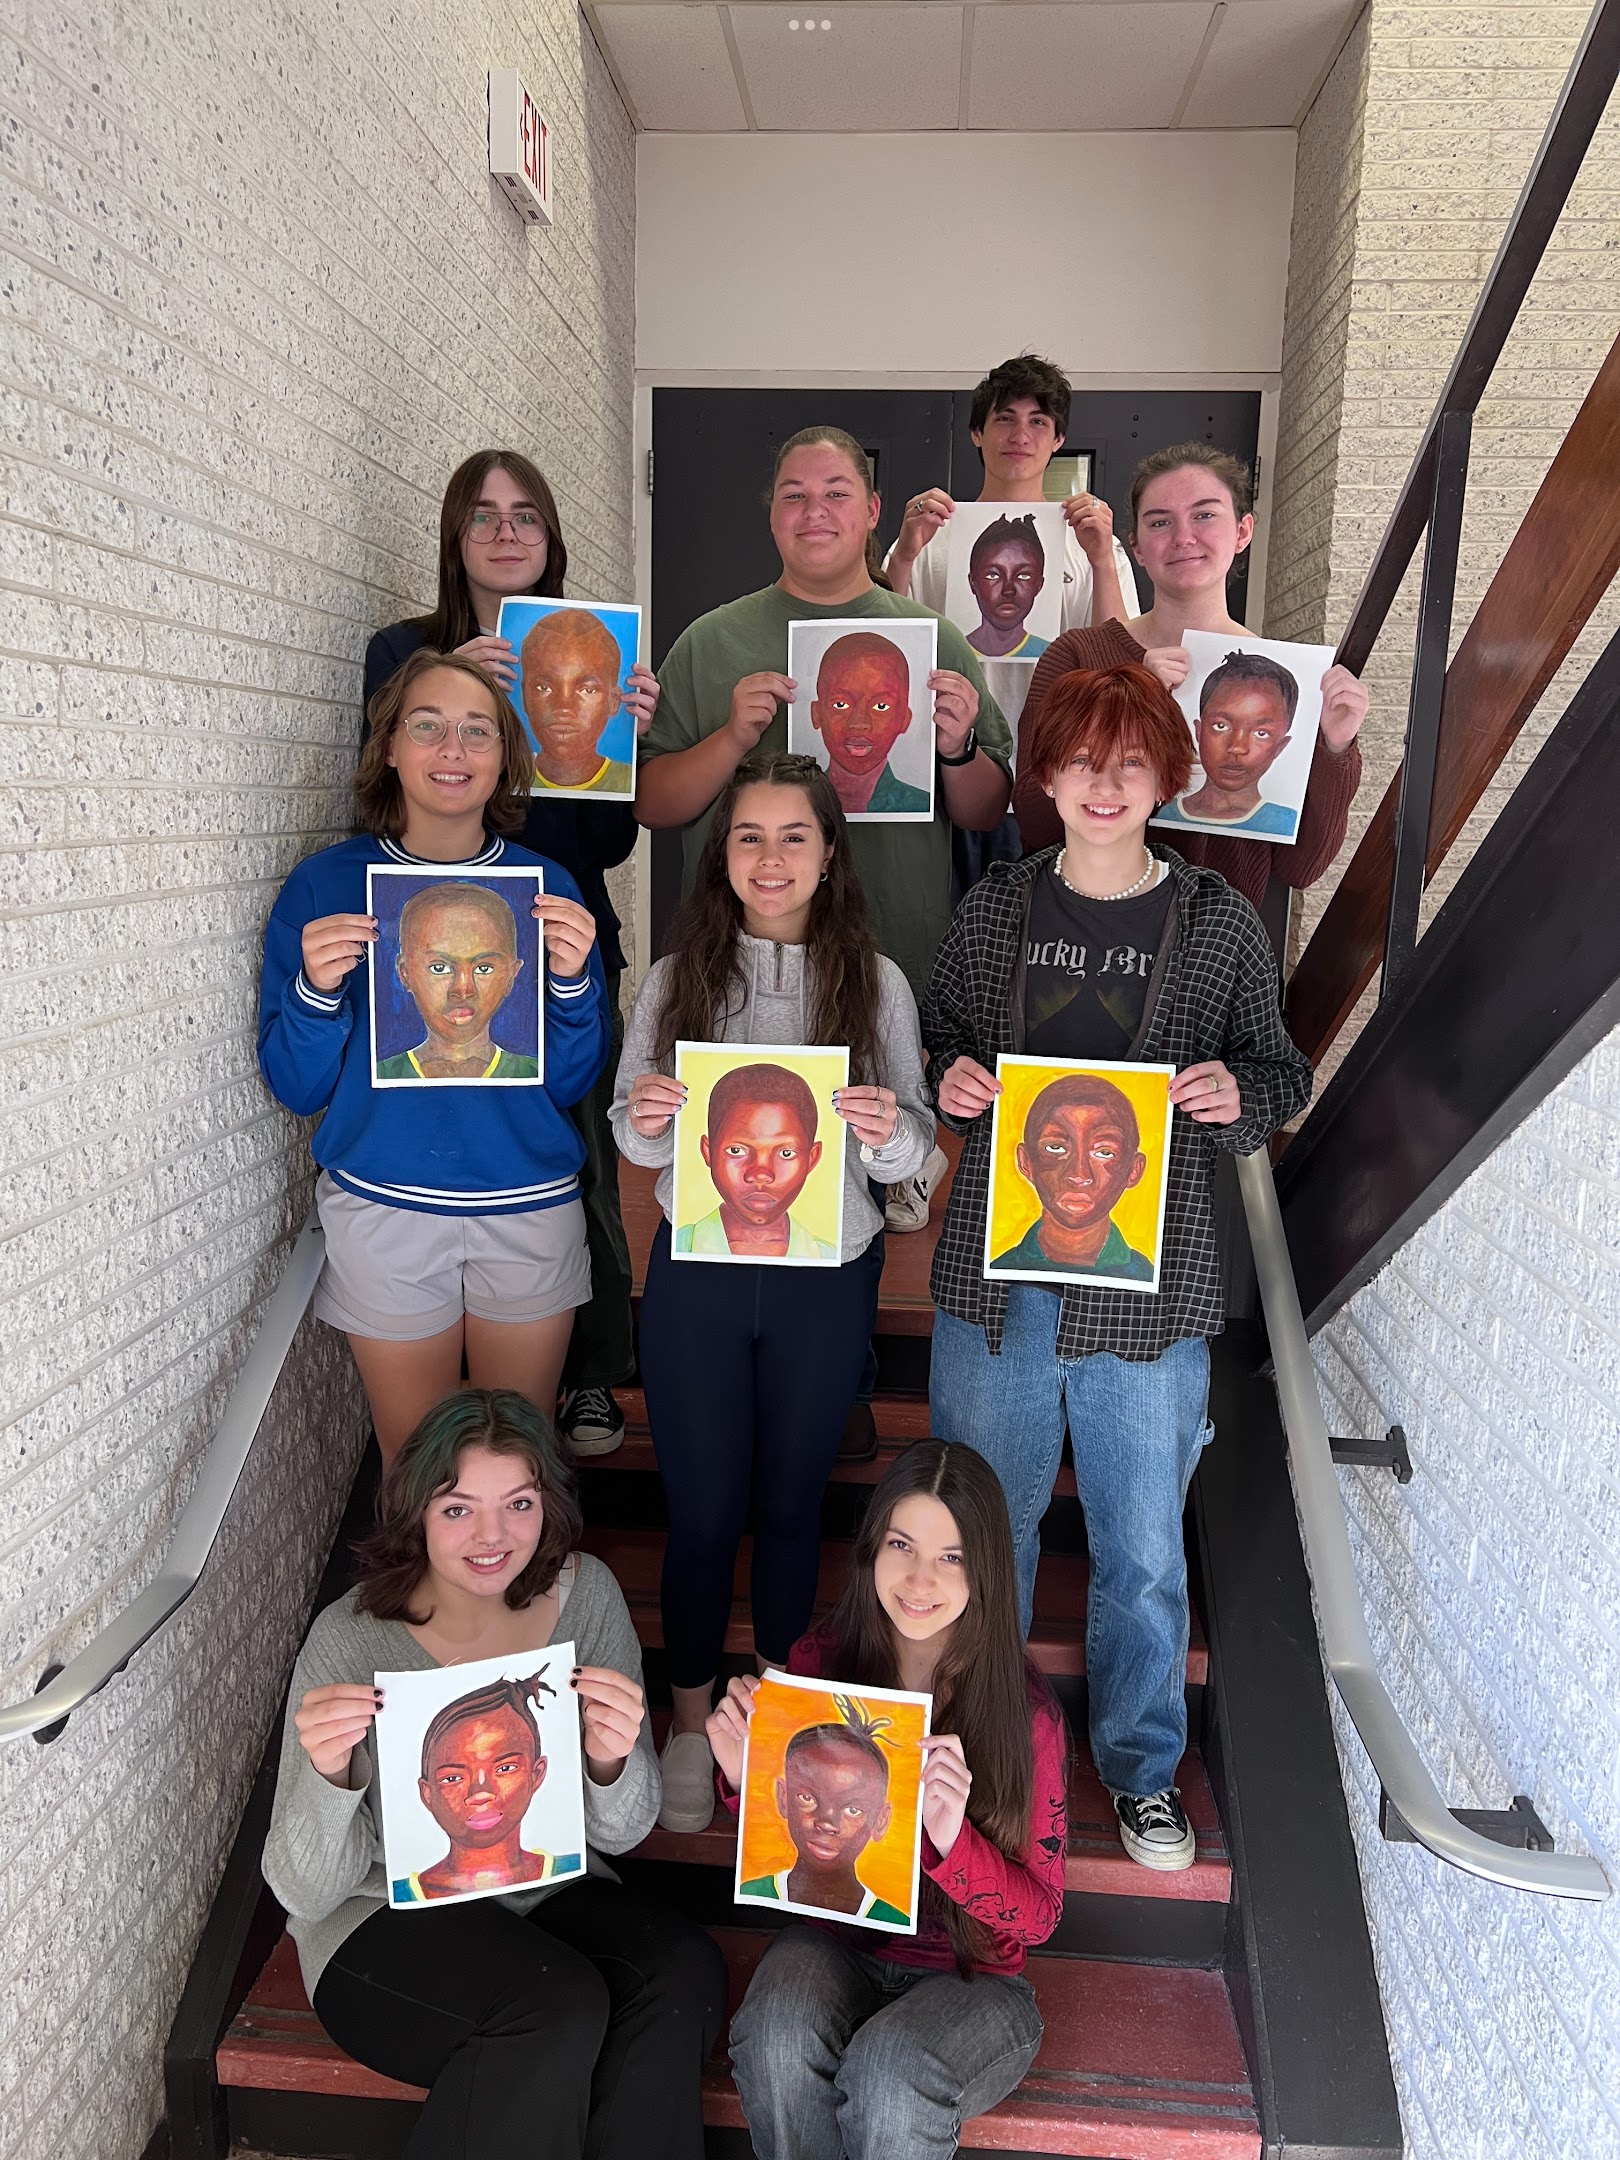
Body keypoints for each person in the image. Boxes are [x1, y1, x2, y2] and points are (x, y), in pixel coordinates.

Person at [924, 664, 1313, 1871]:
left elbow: (1282, 1076)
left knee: (1144, 1547)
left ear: (1165, 777)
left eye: (1131, 763)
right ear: (1044, 773)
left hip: (1157, 1295)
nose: (1105, 784)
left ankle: (1140, 1764)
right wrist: (950, 1079)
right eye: (1082, 762)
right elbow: (939, 1037)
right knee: (986, 1535)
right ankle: (981, 1756)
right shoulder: (997, 913)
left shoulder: (1215, 922)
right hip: (1000, 1290)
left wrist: (1236, 1091)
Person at [263, 1387, 727, 2160]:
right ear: (416, 1512)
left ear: (548, 1502)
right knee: (555, 2005)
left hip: (546, 1890)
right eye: (457, 1510)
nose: (491, 1536)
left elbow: (625, 1828)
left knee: (681, 1971)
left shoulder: (588, 1596)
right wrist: (328, 1775)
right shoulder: (350, 1638)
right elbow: (307, 1889)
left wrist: (613, 1759)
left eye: (518, 1503)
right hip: (378, 1917)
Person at [612, 751, 935, 1832]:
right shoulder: (674, 979)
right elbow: (631, 1129)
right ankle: (695, 1723)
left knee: (794, 1513)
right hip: (699, 1279)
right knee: (703, 1517)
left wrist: (891, 1134)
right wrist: (649, 1121)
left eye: (794, 836)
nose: (771, 857)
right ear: (723, 856)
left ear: (830, 852)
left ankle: (783, 1721)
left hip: (822, 1281)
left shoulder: (875, 982)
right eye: (749, 836)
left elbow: (915, 1156)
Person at [362, 449, 657, 1458]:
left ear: (551, 538)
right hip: (443, 937)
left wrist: (619, 750)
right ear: (455, 535)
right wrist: (461, 692)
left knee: (577, 1153)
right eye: (483, 515)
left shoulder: (586, 655)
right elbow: (378, 788)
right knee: (462, 1139)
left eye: (525, 515)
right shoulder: (404, 651)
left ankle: (591, 1373)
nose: (504, 531)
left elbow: (612, 849)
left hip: (562, 942)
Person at [260, 648, 609, 1466]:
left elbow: (568, 1079)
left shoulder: (547, 885)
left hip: (527, 1204)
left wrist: (569, 986)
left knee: (519, 1465)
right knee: (415, 1467)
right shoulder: (325, 887)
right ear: (389, 747)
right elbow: (296, 1083)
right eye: (428, 728)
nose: (452, 750)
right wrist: (313, 991)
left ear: (503, 760)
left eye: (476, 732)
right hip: (384, 1209)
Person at [711, 1441, 1068, 2160]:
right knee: (774, 2035)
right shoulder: (821, 1663)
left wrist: (951, 1840)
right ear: (872, 1549)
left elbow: (1039, 1916)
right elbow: (791, 1844)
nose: (918, 1578)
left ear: (986, 1570)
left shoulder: (1025, 1715)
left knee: (889, 2074)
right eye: (902, 1544)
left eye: (951, 1556)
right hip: (842, 1944)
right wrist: (743, 1781)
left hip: (976, 1982)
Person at [634, 425, 1012, 1005]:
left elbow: (985, 814)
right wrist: (732, 739)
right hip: (733, 969)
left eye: (836, 493)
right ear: (772, 515)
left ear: (871, 510)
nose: (814, 511)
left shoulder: (935, 642)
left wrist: (958, 748)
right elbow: (651, 806)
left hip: (897, 960)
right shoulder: (709, 641)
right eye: (794, 495)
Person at [1012, 443, 1370, 911]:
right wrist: (1129, 701)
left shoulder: (1282, 686)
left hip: (1213, 951)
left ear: (1243, 531)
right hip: (1081, 936)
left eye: (1204, 516)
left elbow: (1301, 868)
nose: (1183, 537)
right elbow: (1035, 823)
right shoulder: (1079, 655)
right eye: (1160, 521)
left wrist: (1336, 750)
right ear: (1137, 548)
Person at [884, 353, 1137, 636]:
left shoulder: (1093, 542)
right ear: (977, 432)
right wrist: (903, 558)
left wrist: (1102, 562)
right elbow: (885, 644)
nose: (1021, 436)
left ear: (1058, 440)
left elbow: (1120, 661)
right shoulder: (926, 538)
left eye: (1038, 421)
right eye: (1005, 418)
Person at [395, 1668, 582, 1902]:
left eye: (505, 1768)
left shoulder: (571, 1870)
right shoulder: (402, 1894)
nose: (481, 1793)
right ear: (427, 1793)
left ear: (536, 1774)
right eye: (453, 1778)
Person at [739, 1697, 909, 1925]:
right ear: (783, 1797)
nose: (827, 1823)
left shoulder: (892, 1920)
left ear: (881, 1820)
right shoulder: (755, 1894)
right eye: (807, 1798)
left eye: (852, 1809)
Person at [989, 1073, 1153, 1281]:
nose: (1079, 1175)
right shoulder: (1001, 1270)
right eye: (1055, 1148)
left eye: (1104, 1152)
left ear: (1134, 1170)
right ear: (1025, 1161)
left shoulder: (1145, 1275)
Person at [377, 880, 537, 1080]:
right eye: (440, 968)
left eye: (483, 968)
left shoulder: (532, 1073)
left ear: (510, 975)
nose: (463, 989)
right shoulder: (382, 1074)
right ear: (405, 973)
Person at [676, 1061, 837, 1260]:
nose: (761, 1174)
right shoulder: (681, 1244)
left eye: (786, 1153)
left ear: (811, 1159)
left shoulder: (827, 1255)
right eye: (737, 1150)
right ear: (708, 1152)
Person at [1155, 650, 1299, 834]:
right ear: (1199, 731)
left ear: (1280, 747)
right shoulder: (1160, 812)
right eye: (1221, 726)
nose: (1237, 747)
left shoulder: (1285, 824)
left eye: (1261, 733)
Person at [808, 630, 929, 816]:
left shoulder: (919, 804)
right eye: (841, 704)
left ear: (905, 719)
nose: (859, 723)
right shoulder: (798, 803)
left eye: (881, 706)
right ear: (816, 714)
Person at [519, 608, 635, 795]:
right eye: (544, 687)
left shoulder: (631, 781)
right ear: (525, 696)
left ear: (613, 700)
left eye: (587, 690)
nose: (564, 706)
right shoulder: (504, 776)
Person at [963, 513, 1051, 660]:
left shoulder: (1049, 655)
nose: (1008, 590)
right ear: (973, 582)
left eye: (1023, 576)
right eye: (993, 575)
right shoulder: (953, 651)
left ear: (1039, 584)